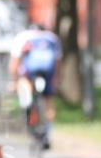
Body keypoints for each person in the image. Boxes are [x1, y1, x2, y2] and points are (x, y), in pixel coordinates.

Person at [8, 22, 62, 150]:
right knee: (49, 102)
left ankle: (27, 107)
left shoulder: (23, 37)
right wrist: (56, 79)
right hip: (48, 73)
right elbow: (58, 62)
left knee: (25, 89)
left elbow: (14, 63)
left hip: (29, 72)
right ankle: (48, 133)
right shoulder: (52, 38)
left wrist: (14, 82)